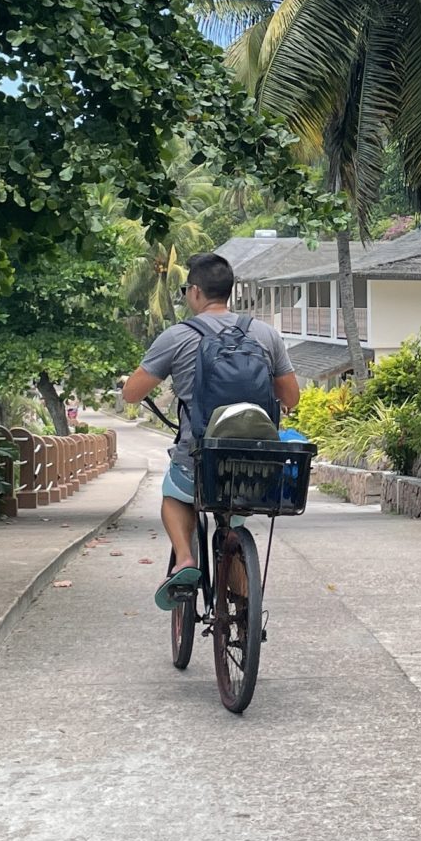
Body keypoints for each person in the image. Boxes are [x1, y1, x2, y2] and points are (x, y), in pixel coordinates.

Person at [121, 252, 298, 611]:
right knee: (234, 509)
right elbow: (291, 397)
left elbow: (131, 393)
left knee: (174, 495)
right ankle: (242, 602)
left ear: (196, 292)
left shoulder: (177, 337)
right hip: (253, 457)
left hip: (199, 452)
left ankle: (186, 560)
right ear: (229, 291)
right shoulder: (265, 334)